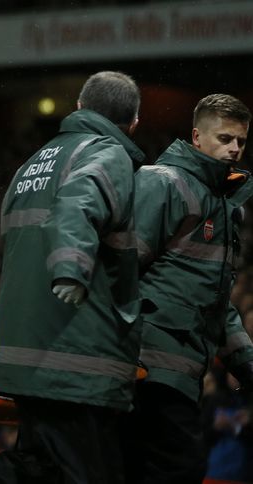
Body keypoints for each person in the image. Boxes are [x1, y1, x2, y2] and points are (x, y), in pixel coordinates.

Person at [0, 71, 145, 484]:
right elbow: (77, 206)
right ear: (133, 123)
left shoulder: (36, 160)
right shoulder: (108, 154)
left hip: (28, 347)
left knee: (38, 468)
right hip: (74, 355)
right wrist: (71, 269)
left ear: (78, 107)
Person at [120, 93, 253, 484]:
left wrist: (245, 362)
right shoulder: (162, 183)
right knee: (179, 468)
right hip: (144, 369)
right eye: (225, 138)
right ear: (197, 137)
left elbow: (216, 302)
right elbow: (121, 269)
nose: (234, 149)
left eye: (241, 142)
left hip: (181, 374)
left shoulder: (225, 205)